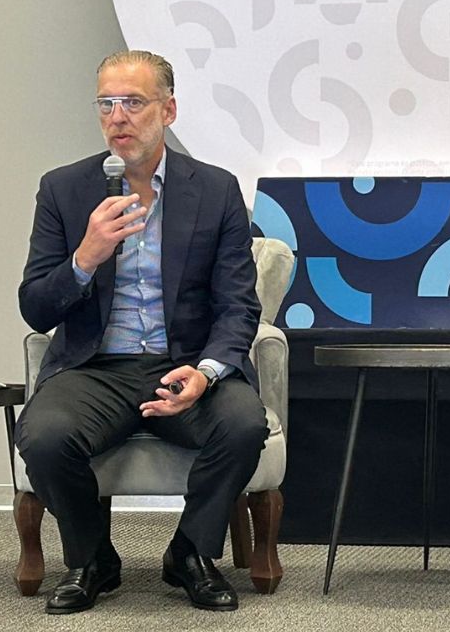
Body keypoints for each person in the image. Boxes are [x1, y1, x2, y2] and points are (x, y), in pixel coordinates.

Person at [16, 50, 268, 614]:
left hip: (185, 362)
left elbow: (237, 305)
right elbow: (35, 308)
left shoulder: (216, 189)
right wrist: (85, 257)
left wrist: (207, 373)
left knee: (243, 423)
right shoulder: (63, 189)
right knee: (44, 435)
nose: (118, 118)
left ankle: (191, 553)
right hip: (96, 369)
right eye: (106, 104)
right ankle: (92, 559)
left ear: (168, 110)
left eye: (133, 102)